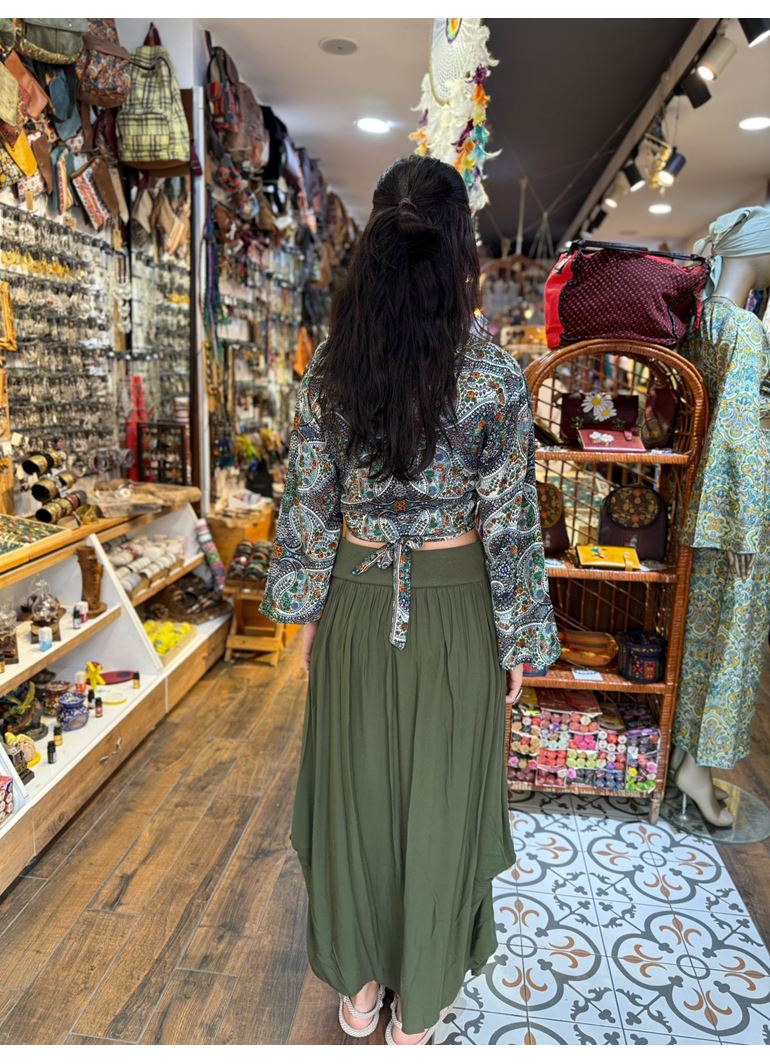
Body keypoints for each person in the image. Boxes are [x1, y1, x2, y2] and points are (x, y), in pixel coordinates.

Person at [259, 155, 560, 1044]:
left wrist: (305, 613)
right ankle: (417, 1004)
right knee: (440, 803)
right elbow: (511, 522)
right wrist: (519, 641)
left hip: (354, 601)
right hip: (456, 608)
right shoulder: (493, 377)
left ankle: (360, 989)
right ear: (461, 249)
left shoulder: (331, 372)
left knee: (355, 795)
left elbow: (307, 507)